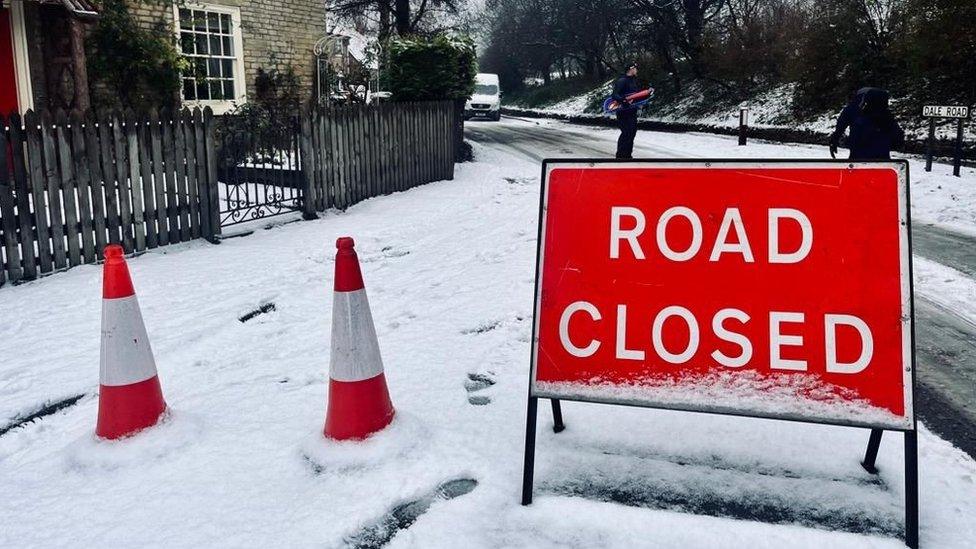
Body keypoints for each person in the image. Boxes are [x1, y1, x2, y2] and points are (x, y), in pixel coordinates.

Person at [829, 87, 904, 160]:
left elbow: (841, 125)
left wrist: (834, 139)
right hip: (882, 155)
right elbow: (897, 136)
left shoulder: (853, 107)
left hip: (858, 152)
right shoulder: (886, 113)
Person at [612, 62, 642, 159]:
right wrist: (623, 100)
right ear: (631, 69)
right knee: (626, 132)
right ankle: (620, 155)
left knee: (632, 132)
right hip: (623, 111)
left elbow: (635, 96)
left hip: (632, 111)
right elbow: (615, 95)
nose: (637, 70)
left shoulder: (633, 81)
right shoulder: (622, 80)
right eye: (635, 68)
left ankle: (628, 155)